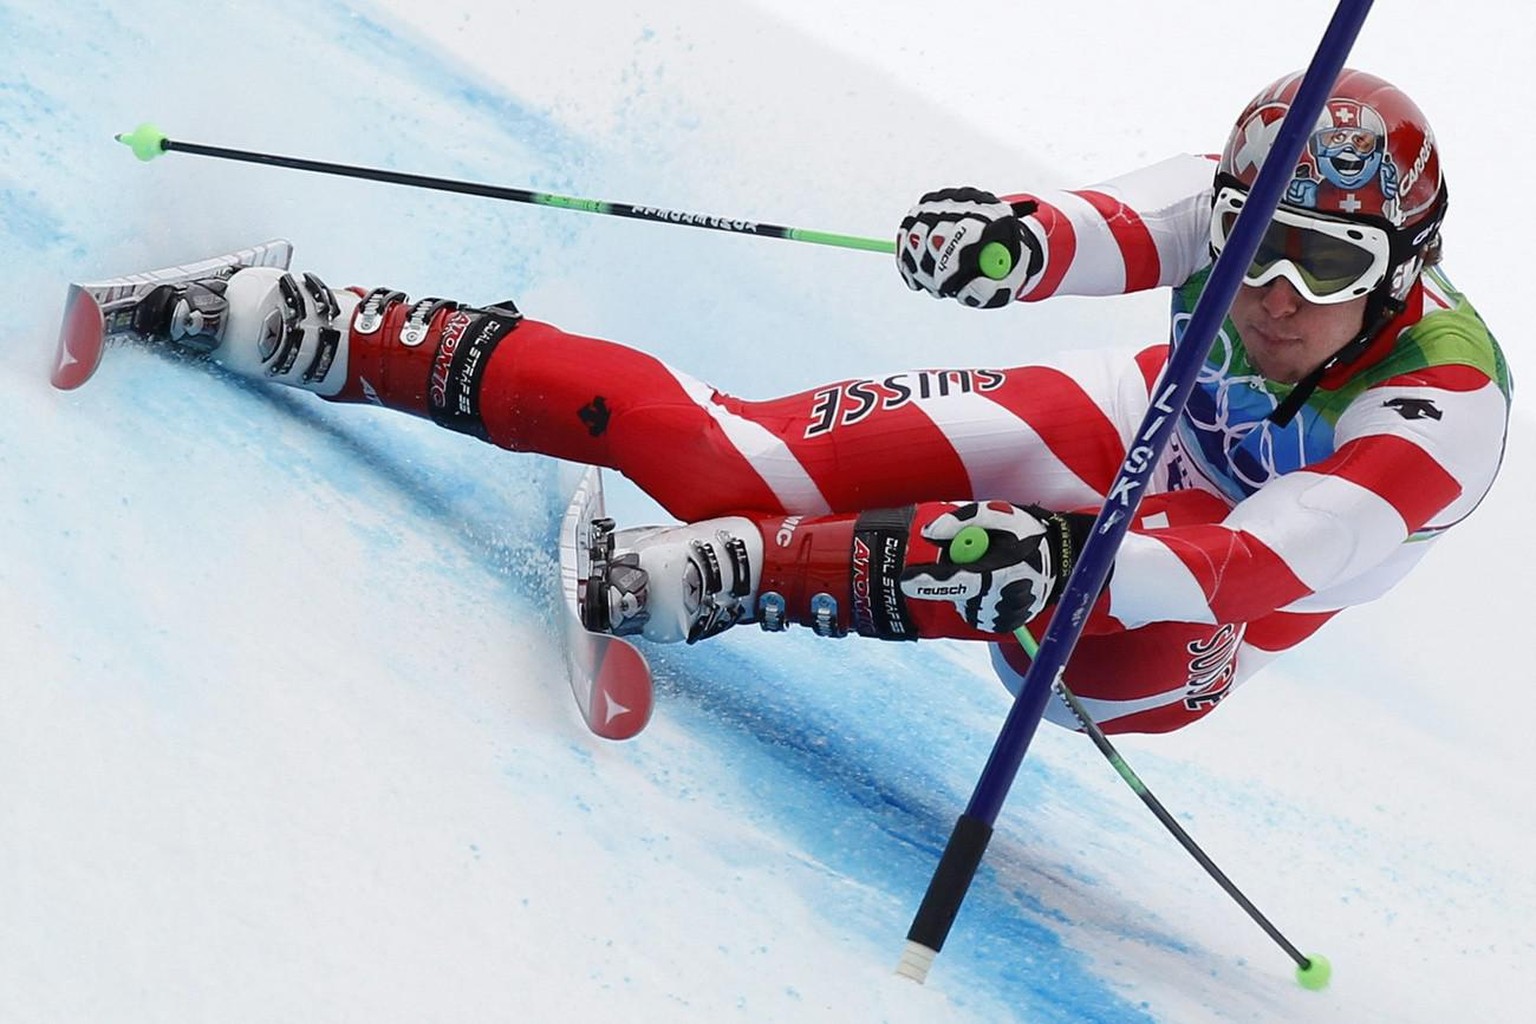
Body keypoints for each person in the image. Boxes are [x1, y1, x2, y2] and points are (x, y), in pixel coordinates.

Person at [111, 69, 1510, 734]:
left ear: (1402, 270)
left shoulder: (1444, 406)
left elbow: (1250, 564)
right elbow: (1087, 231)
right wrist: (1001, 243)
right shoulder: (1236, 207)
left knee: (1067, 644)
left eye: (1326, 265)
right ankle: (330, 329)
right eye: (1250, 244)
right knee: (736, 457)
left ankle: (747, 578)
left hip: (1204, 613)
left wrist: (1064, 560)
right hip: (1121, 432)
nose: (1272, 292)